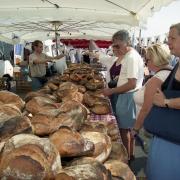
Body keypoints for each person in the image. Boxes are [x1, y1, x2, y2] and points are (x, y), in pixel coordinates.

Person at [102, 30, 144, 160]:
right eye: (113, 46)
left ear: (127, 42)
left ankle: (126, 157)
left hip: (128, 96)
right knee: (127, 128)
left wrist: (111, 91)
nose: (115, 48)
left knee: (124, 129)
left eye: (118, 45)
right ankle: (130, 154)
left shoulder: (131, 57)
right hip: (124, 96)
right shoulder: (127, 55)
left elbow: (132, 84)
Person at [146, 23, 180, 180]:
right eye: (168, 38)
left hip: (174, 143)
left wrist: (166, 102)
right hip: (166, 136)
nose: (168, 42)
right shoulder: (178, 63)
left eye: (172, 38)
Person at [132, 44, 172, 135]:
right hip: (161, 126)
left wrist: (135, 129)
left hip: (148, 129)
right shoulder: (171, 73)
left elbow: (146, 109)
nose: (146, 62)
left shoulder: (156, 80)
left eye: (147, 60)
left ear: (155, 59)